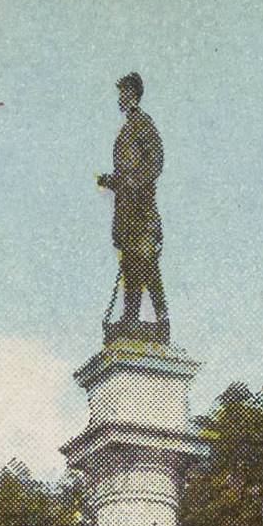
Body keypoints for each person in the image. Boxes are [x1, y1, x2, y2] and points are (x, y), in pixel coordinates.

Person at [97, 72, 167, 335]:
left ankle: (163, 322)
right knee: (130, 266)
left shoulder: (142, 123)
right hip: (127, 211)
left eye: (124, 94)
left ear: (133, 95)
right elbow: (127, 173)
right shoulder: (127, 128)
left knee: (147, 264)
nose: (120, 99)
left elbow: (156, 161)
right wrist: (112, 181)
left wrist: (135, 182)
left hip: (142, 210)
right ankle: (130, 318)